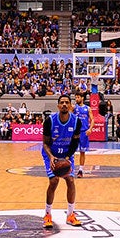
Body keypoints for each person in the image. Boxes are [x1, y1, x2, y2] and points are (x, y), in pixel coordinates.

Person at [42, 94, 82, 229]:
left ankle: (71, 214)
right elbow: (45, 144)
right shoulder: (49, 121)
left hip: (66, 154)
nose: (64, 104)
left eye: (67, 102)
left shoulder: (76, 121)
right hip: (51, 154)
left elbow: (75, 142)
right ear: (58, 106)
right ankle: (47, 214)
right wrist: (52, 157)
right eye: (62, 102)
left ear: (70, 105)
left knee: (70, 180)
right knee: (54, 181)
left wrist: (67, 157)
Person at [72, 91, 94, 177]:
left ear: (82, 98)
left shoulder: (88, 108)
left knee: (82, 152)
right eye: (75, 97)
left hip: (84, 132)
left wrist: (90, 129)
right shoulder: (73, 107)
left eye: (78, 97)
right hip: (75, 132)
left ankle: (80, 170)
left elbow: (92, 120)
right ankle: (71, 168)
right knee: (71, 151)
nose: (76, 99)